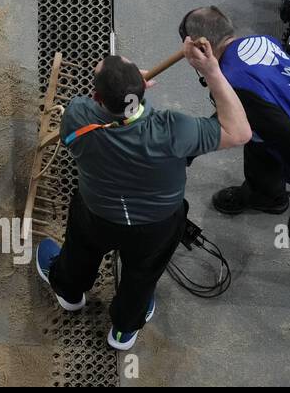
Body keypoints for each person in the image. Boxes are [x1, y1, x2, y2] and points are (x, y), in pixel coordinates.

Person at [35, 40, 251, 349]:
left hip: (97, 213)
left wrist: (125, 98)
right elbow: (240, 132)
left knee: (79, 251)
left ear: (96, 96)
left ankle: (69, 292)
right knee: (142, 275)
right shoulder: (174, 130)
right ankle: (124, 329)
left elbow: (93, 121)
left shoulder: (77, 116)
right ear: (141, 92)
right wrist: (211, 70)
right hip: (156, 225)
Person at [179, 6, 290, 307]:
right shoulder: (260, 42)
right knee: (257, 136)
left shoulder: (234, 81)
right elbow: (242, 115)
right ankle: (267, 195)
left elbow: (287, 137)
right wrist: (190, 150)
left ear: (202, 47)